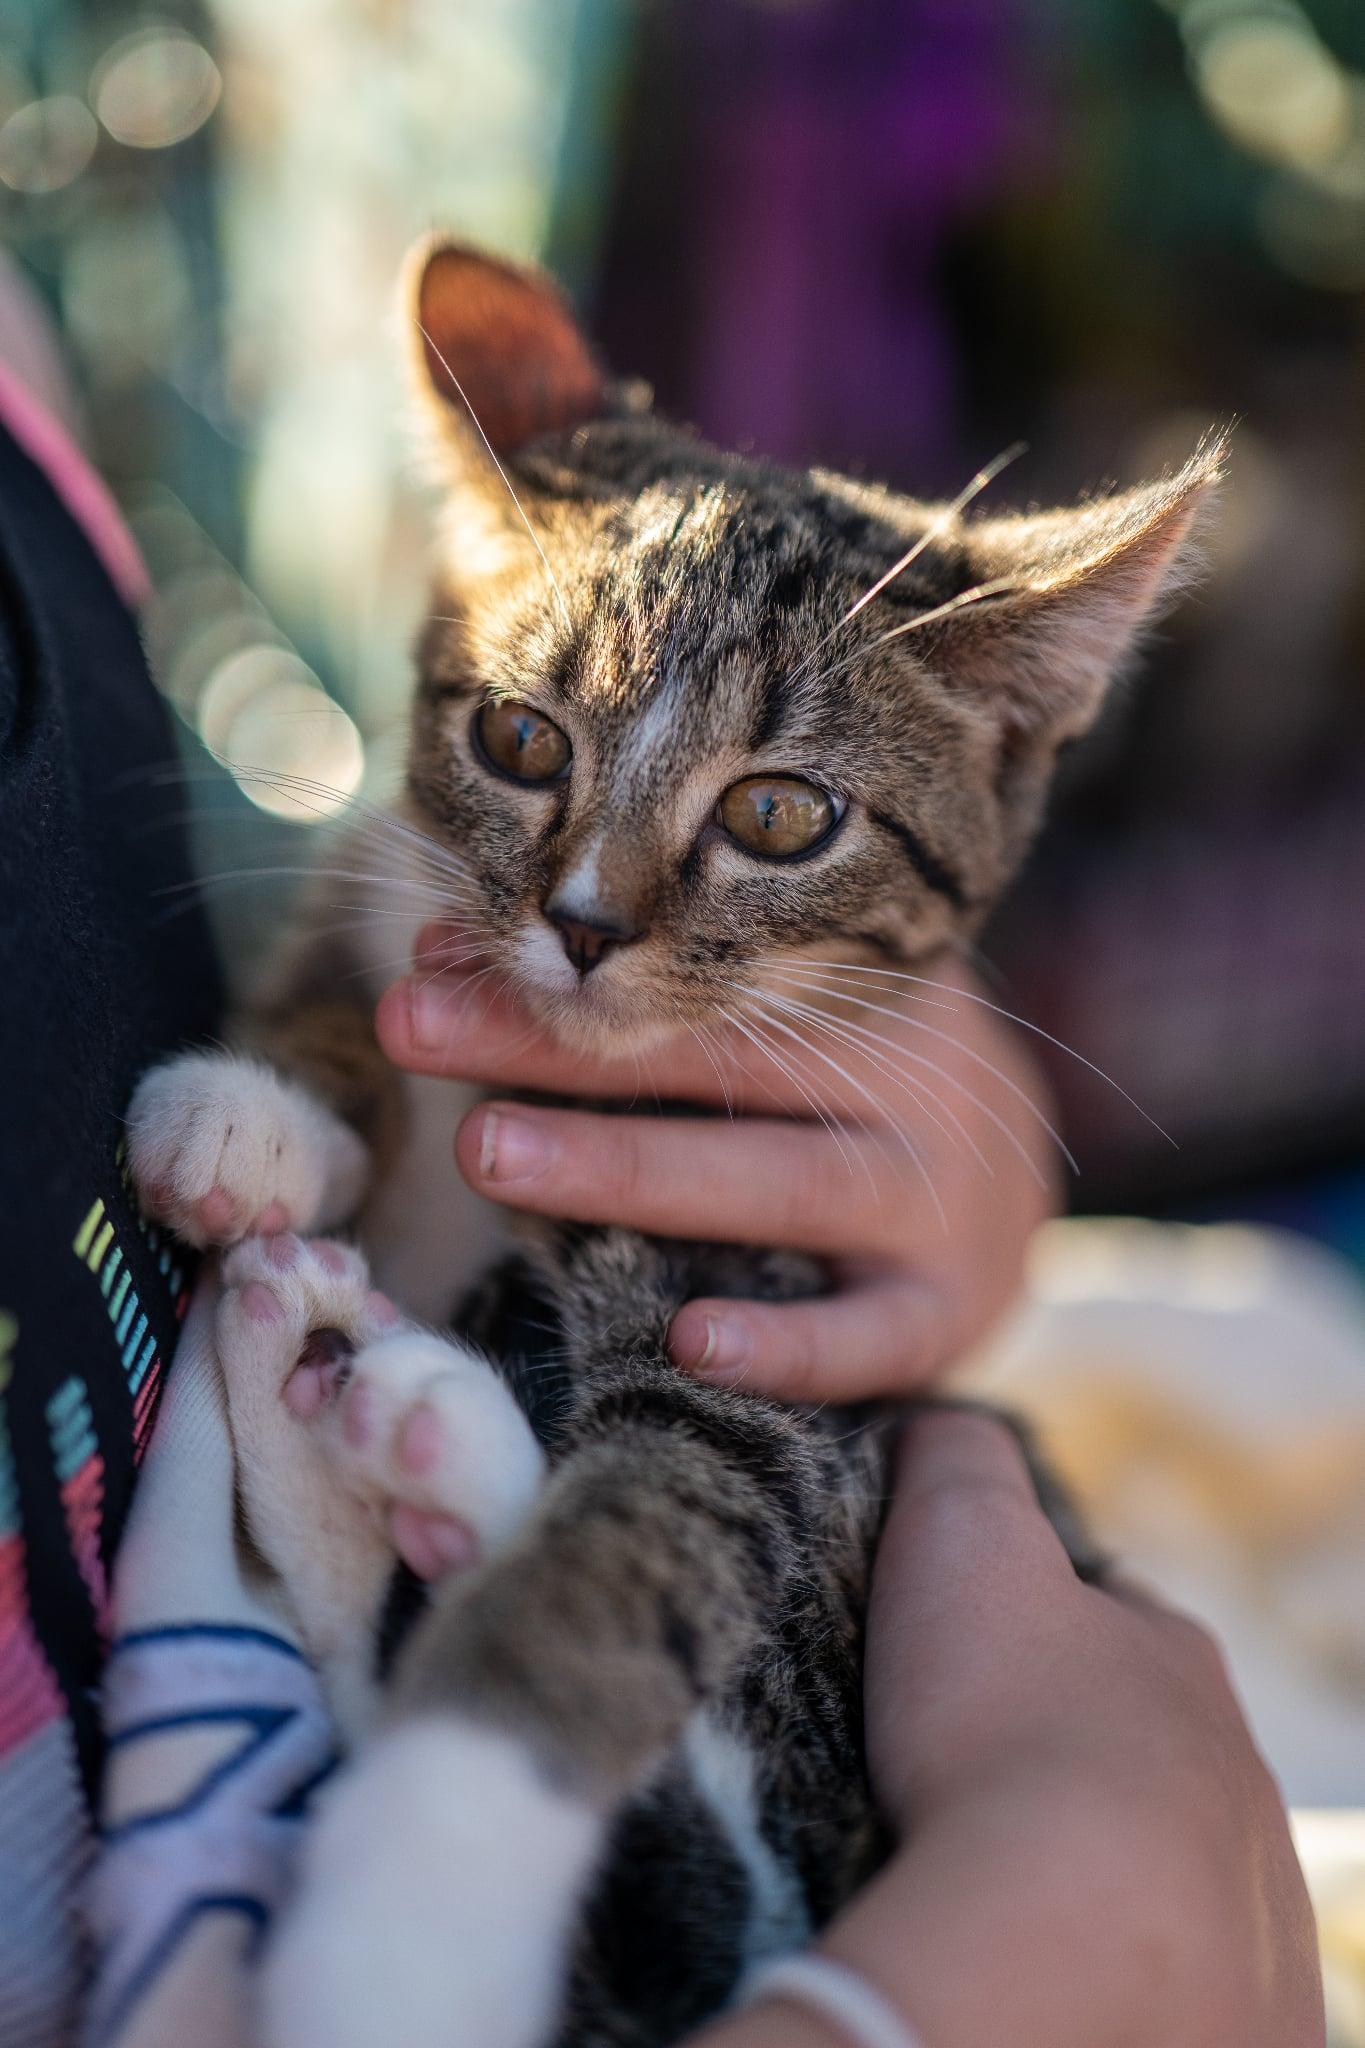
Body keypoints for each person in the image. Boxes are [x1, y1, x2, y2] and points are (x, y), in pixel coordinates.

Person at [0, 278, 1321, 2048]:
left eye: (769, 816)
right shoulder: (412, 904)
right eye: (528, 748)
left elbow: (744, 1461)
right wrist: (315, 1081)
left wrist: (963, 1097)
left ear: (1012, 737)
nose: (588, 906)